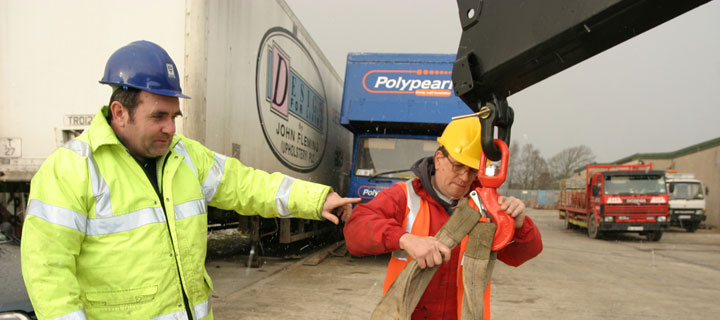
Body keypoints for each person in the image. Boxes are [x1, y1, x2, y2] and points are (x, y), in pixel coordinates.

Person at [20, 40, 360, 320]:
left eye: (174, 116)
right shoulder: (72, 169)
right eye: (158, 117)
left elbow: (248, 185)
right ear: (120, 113)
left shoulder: (184, 156)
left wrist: (316, 199)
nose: (170, 128)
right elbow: (48, 272)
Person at [344, 117, 543, 319]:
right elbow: (355, 231)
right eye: (458, 166)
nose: (465, 177)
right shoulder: (405, 196)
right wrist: (404, 238)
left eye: (472, 171)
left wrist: (519, 225)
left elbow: (524, 253)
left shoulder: (487, 205)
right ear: (439, 159)